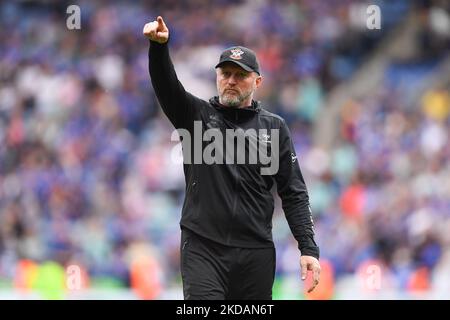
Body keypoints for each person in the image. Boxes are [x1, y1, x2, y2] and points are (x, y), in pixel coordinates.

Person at [143, 16, 321, 300]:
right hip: (203, 248)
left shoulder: (274, 129)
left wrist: (308, 248)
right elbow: (166, 87)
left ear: (257, 81)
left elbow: (294, 192)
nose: (231, 81)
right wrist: (158, 48)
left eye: (240, 75)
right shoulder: (195, 117)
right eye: (225, 74)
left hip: (256, 253)